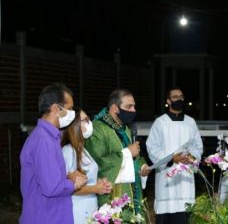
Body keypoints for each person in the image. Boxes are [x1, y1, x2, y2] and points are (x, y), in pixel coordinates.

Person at [20, 84, 87, 224]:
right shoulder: (43, 140)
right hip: (45, 216)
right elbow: (52, 187)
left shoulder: (50, 137)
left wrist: (68, 177)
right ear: (57, 108)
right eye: (69, 109)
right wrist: (74, 184)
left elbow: (45, 176)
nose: (72, 114)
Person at [85, 89, 151, 218]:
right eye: (129, 106)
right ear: (115, 108)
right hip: (112, 198)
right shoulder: (98, 128)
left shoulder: (123, 127)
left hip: (131, 192)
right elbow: (98, 163)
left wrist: (142, 167)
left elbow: (133, 156)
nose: (133, 110)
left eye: (134, 106)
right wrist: (127, 153)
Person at [146, 87, 203, 224]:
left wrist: (192, 157)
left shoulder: (190, 122)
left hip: (185, 177)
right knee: (165, 218)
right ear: (168, 101)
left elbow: (198, 146)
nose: (179, 98)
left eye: (181, 96)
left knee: (183, 216)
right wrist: (172, 158)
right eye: (175, 96)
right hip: (166, 177)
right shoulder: (160, 123)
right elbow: (152, 147)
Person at [62, 108, 112, 224]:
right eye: (85, 120)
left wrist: (100, 184)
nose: (90, 123)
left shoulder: (83, 149)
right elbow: (68, 187)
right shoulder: (68, 150)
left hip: (90, 207)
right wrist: (95, 188)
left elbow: (88, 179)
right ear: (74, 126)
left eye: (89, 119)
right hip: (77, 209)